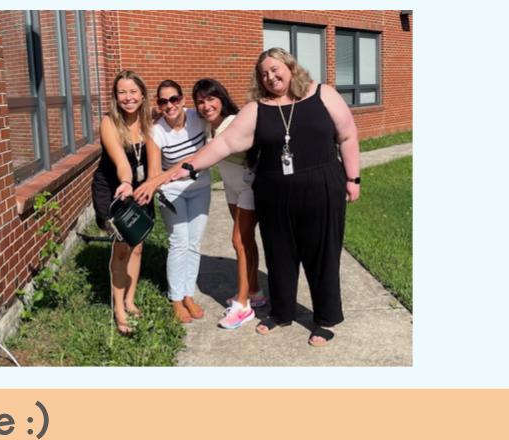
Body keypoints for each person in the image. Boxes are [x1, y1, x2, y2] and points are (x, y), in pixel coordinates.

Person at [136, 48, 361, 347]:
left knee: (321, 254)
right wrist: (184, 168)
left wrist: (352, 178)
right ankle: (281, 312)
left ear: (290, 67)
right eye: (264, 73)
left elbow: (347, 135)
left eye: (275, 69)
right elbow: (224, 143)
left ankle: (325, 318)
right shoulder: (257, 109)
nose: (270, 76)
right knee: (280, 254)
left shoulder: (323, 94)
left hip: (322, 187)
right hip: (273, 193)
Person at [191, 78, 264, 330]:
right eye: (200, 101)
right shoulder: (208, 124)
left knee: (239, 241)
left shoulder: (232, 122)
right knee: (246, 241)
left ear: (222, 98)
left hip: (248, 186)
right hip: (232, 188)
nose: (206, 105)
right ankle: (253, 290)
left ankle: (243, 306)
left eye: (211, 98)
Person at [135, 80, 211, 324]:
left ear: (183, 99)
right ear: (159, 104)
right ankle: (176, 299)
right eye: (163, 101)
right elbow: (156, 173)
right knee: (179, 241)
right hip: (171, 192)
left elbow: (204, 153)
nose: (169, 105)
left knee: (194, 242)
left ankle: (189, 294)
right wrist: (150, 187)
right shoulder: (156, 132)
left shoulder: (198, 117)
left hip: (200, 188)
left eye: (174, 99)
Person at [91, 70, 158, 336]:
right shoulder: (109, 122)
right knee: (121, 249)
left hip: (141, 188)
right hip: (114, 187)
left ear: (142, 95)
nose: (128, 98)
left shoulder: (151, 123)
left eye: (133, 92)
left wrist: (149, 185)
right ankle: (118, 308)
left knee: (138, 246)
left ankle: (130, 299)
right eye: (122, 92)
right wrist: (127, 184)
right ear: (115, 97)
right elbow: (121, 162)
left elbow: (153, 165)